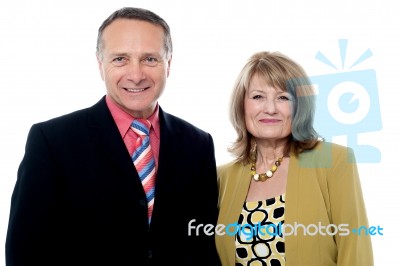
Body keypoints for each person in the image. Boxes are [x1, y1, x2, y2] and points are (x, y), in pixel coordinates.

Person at [6, 7, 220, 266]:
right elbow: (25, 252)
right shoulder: (52, 141)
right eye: (120, 59)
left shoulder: (198, 144)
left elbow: (204, 245)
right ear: (100, 64)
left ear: (169, 64)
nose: (136, 74)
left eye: (150, 59)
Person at [215, 51, 373, 265]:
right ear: (242, 105)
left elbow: (355, 252)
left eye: (283, 97)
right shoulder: (223, 177)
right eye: (258, 96)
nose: (270, 109)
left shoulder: (334, 161)